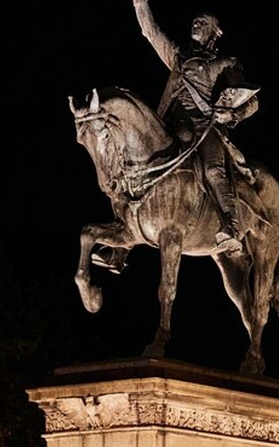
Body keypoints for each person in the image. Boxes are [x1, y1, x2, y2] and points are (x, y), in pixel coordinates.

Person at [91, 0, 259, 273]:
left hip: (205, 128)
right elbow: (150, 31)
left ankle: (231, 227)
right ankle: (118, 247)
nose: (196, 23)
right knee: (129, 169)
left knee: (213, 170)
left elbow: (252, 102)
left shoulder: (225, 63)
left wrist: (233, 115)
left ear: (215, 33)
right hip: (169, 126)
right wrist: (140, 3)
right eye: (195, 20)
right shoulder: (178, 57)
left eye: (203, 22)